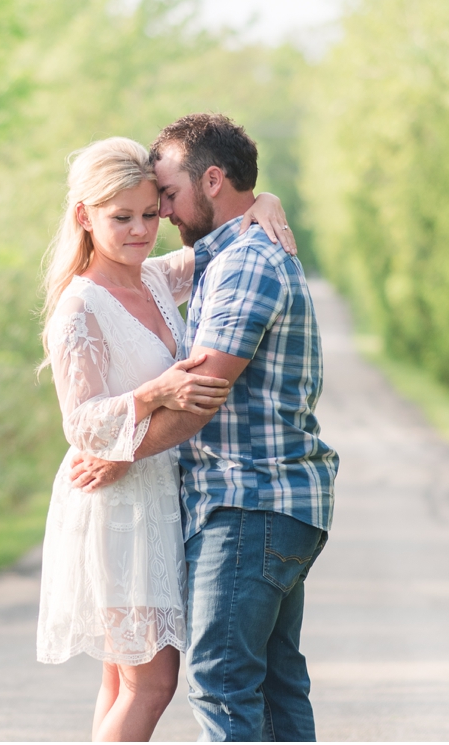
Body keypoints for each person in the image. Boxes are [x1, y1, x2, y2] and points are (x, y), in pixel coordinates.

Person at [70, 114, 337, 742]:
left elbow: (200, 399)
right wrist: (263, 198)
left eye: (164, 196)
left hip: (250, 500)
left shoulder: (242, 264)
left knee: (219, 678)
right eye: (135, 209)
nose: (157, 215)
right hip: (260, 502)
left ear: (212, 180)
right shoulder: (212, 260)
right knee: (270, 683)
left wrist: (123, 455)